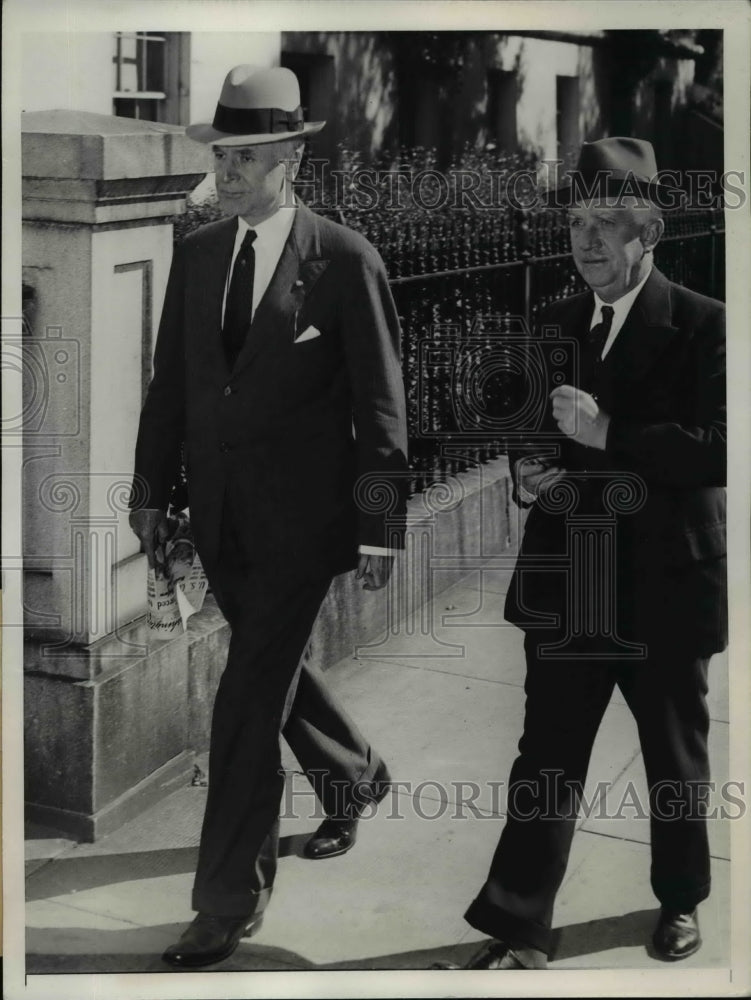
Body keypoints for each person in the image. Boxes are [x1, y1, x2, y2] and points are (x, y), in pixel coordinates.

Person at [129, 65, 408, 968]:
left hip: (302, 527)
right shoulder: (202, 252)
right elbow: (171, 389)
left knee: (244, 702)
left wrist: (378, 524)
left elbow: (380, 407)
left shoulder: (345, 258)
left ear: (292, 156)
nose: (233, 171)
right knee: (272, 673)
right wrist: (149, 498)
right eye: (224, 155)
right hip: (217, 516)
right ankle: (355, 775)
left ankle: (225, 902)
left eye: (251, 156)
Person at [437, 137, 726, 969]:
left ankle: (678, 901)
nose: (587, 240)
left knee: (673, 759)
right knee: (547, 754)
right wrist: (528, 463)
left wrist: (610, 434)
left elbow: (719, 448)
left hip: (665, 583)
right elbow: (534, 433)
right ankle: (517, 924)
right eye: (576, 222)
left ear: (650, 230)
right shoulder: (553, 323)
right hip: (572, 578)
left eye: (608, 222)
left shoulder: (705, 326)